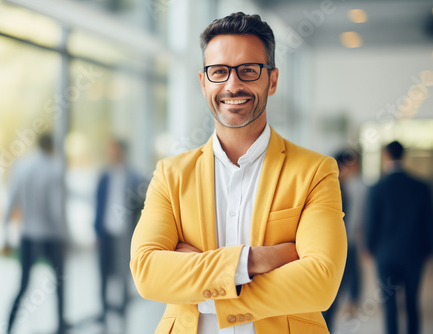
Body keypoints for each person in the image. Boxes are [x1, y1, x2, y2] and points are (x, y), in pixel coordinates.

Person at [130, 12, 347, 333]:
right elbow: (147, 274)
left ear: (272, 80)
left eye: (248, 71)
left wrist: (198, 281)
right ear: (204, 83)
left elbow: (320, 283)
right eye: (219, 72)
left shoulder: (314, 171)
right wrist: (253, 260)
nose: (233, 85)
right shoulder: (170, 175)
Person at [2, 134, 69, 334]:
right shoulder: (54, 169)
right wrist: (65, 237)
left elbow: (10, 201)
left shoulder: (22, 167)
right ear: (51, 147)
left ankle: (9, 327)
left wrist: (4, 234)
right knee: (59, 284)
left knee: (23, 286)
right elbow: (56, 210)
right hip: (50, 237)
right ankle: (60, 326)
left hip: (28, 235)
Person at [365, 141, 433, 334]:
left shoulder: (377, 188)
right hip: (414, 253)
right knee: (412, 302)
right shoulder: (420, 187)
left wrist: (369, 248)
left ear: (386, 155)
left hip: (385, 256)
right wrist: (428, 249)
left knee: (390, 305)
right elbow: (428, 221)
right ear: (404, 156)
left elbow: (371, 223)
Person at [93, 139, 145, 326]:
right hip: (105, 232)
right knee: (103, 273)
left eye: (115, 150)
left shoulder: (133, 176)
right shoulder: (104, 176)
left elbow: (141, 204)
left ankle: (122, 314)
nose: (112, 154)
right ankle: (103, 312)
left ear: (122, 152)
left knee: (124, 274)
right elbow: (98, 205)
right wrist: (96, 232)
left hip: (125, 234)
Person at [323, 149, 364, 330]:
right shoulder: (334, 189)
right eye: (352, 165)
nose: (354, 169)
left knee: (332, 299)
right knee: (329, 300)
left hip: (342, 246)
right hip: (333, 249)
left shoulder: (343, 187)